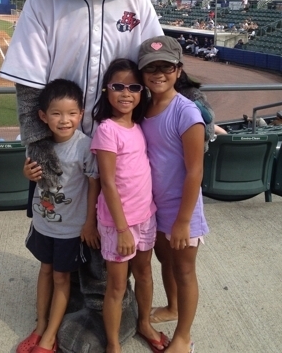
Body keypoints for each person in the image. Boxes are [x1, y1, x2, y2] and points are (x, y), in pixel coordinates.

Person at [90, 58, 169, 353]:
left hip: (145, 217)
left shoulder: (139, 126)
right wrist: (122, 229)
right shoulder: (107, 130)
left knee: (145, 273)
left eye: (133, 87)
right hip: (117, 224)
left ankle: (144, 323)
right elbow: (107, 182)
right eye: (118, 86)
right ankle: (113, 344)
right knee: (117, 286)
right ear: (106, 90)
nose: (126, 93)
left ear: (142, 92)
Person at [16, 79, 100, 353]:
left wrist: (89, 223)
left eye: (72, 113)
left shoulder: (85, 147)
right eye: (56, 113)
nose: (64, 120)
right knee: (45, 270)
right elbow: (29, 172)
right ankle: (40, 325)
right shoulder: (37, 144)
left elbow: (93, 186)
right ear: (43, 116)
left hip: (70, 230)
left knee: (62, 278)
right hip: (42, 224)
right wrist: (26, 174)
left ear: (81, 113)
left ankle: (50, 336)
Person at [138, 36, 209, 353]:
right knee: (165, 261)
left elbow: (195, 171)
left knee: (184, 270)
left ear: (178, 71)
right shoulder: (145, 108)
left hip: (183, 211)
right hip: (156, 208)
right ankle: (172, 307)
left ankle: (183, 337)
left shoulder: (186, 111)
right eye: (151, 68)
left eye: (165, 67)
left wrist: (183, 221)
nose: (158, 74)